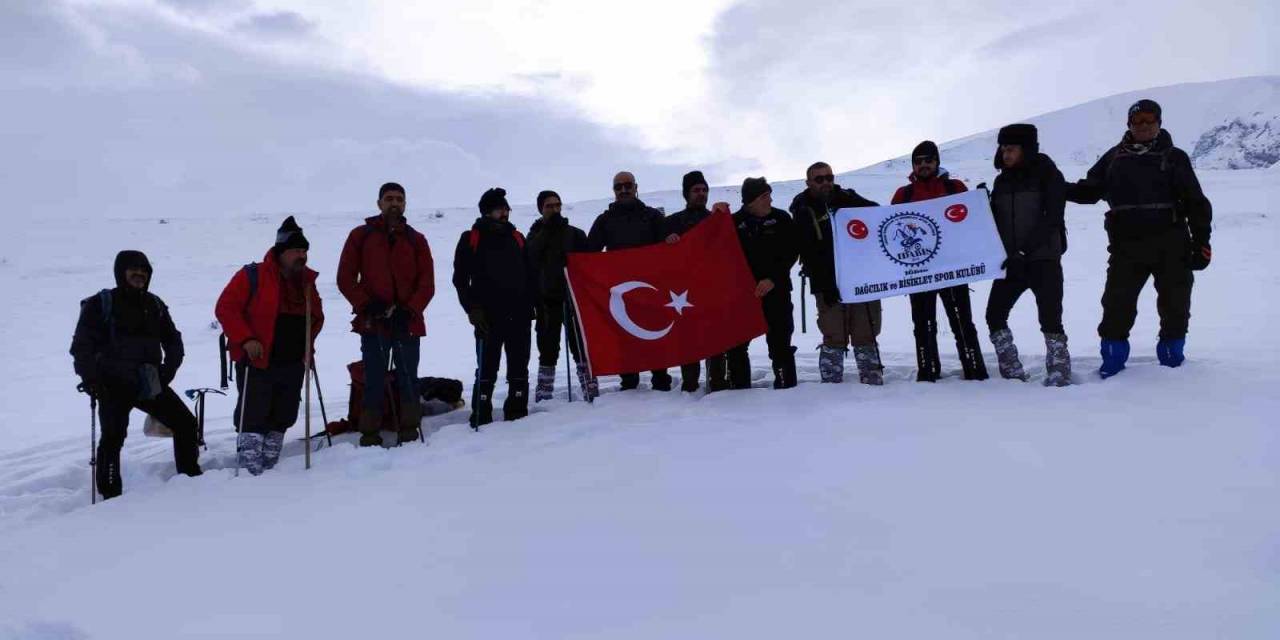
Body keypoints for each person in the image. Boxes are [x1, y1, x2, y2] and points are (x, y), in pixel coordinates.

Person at [1065, 99, 1213, 378]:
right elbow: (1088, 192)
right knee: (1116, 305)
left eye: (1150, 120)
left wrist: (1201, 242)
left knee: (1175, 306)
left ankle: (1173, 365)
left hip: (1172, 244)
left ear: (1159, 123)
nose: (1144, 125)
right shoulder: (1113, 158)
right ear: (1129, 124)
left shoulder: (1174, 156)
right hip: (1127, 247)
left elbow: (1196, 202)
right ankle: (1112, 365)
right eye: (1138, 120)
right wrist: (1055, 187)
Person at [70, 250, 201, 499]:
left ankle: (191, 480)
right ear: (121, 272)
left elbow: (173, 340)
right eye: (133, 269)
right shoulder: (101, 303)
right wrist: (90, 379)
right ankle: (111, 496)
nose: (140, 274)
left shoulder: (154, 304)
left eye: (144, 270)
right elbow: (82, 346)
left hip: (149, 381)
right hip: (111, 383)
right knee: (113, 437)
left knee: (185, 423)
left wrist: (168, 371)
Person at [215, 216, 324, 473]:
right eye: (296, 250)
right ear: (281, 252)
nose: (302, 255)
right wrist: (246, 339)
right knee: (254, 412)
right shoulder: (252, 275)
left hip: (293, 360)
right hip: (258, 358)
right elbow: (226, 308)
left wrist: (308, 348)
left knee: (284, 413)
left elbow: (316, 317)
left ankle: (271, 466)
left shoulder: (306, 283)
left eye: (304, 250)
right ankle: (250, 468)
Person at [337, 182, 436, 446]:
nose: (395, 203)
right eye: (389, 198)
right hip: (374, 321)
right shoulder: (361, 236)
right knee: (374, 377)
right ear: (379, 203)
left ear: (405, 204)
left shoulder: (417, 240)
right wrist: (368, 305)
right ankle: (370, 432)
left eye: (399, 199)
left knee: (407, 376)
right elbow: (345, 278)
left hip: (408, 321)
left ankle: (409, 429)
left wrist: (410, 309)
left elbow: (427, 283)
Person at [890, 141, 990, 382]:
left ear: (937, 162)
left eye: (928, 160)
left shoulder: (954, 186)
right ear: (913, 165)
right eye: (918, 161)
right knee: (923, 324)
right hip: (920, 270)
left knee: (961, 321)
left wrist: (981, 202)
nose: (923, 165)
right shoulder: (904, 194)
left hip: (953, 268)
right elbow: (891, 227)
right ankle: (927, 371)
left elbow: (971, 221)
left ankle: (974, 369)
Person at [985, 124, 1072, 386]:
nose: (1005, 154)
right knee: (994, 314)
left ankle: (1059, 371)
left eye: (1011, 149)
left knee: (1050, 317)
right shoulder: (1002, 181)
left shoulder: (1048, 175)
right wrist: (981, 204)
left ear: (1026, 149)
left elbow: (1052, 218)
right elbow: (997, 220)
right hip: (1011, 261)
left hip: (1043, 259)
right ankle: (1011, 370)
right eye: (1002, 148)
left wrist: (1025, 250)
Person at [789, 162, 884, 385]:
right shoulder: (802, 209)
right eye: (819, 179)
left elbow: (878, 213)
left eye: (829, 177)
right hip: (826, 283)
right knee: (833, 335)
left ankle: (873, 384)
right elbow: (804, 249)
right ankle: (831, 387)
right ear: (809, 183)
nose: (826, 182)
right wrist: (822, 282)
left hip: (860, 278)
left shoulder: (848, 198)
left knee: (866, 333)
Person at [453, 188, 536, 427]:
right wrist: (472, 309)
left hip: (519, 314)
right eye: (500, 209)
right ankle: (481, 413)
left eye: (507, 208)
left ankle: (517, 411)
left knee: (519, 364)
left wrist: (532, 304)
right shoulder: (471, 238)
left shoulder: (517, 237)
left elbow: (530, 274)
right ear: (487, 212)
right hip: (487, 315)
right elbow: (460, 280)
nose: (505, 213)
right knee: (488, 366)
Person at [586, 171, 672, 391]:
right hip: (621, 293)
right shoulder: (604, 220)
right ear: (613, 191)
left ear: (636, 187)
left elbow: (670, 246)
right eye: (618, 187)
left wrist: (673, 240)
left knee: (654, 336)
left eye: (627, 185)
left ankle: (661, 382)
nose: (623, 190)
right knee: (625, 339)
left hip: (651, 291)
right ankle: (629, 386)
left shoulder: (652, 216)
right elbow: (588, 254)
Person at [726, 178, 800, 389]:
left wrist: (773, 279)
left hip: (777, 291)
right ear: (750, 201)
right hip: (743, 295)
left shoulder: (781, 218)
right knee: (737, 345)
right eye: (764, 196)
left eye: (769, 195)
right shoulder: (732, 222)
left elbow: (791, 252)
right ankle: (739, 390)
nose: (770, 200)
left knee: (780, 343)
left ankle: (787, 387)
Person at [527, 189, 597, 401]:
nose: (555, 209)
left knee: (580, 346)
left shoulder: (575, 233)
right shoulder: (533, 236)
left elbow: (590, 265)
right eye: (549, 206)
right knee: (548, 348)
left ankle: (590, 387)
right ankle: (544, 392)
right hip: (546, 301)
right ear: (541, 209)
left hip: (573, 299)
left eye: (557, 205)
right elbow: (529, 262)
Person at [663, 170, 729, 392]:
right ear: (686, 193)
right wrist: (668, 243)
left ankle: (718, 383)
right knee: (689, 341)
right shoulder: (672, 222)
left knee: (717, 341)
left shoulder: (716, 219)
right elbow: (659, 258)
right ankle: (689, 386)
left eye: (704, 190)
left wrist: (724, 215)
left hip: (713, 290)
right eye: (696, 190)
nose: (701, 194)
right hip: (684, 293)